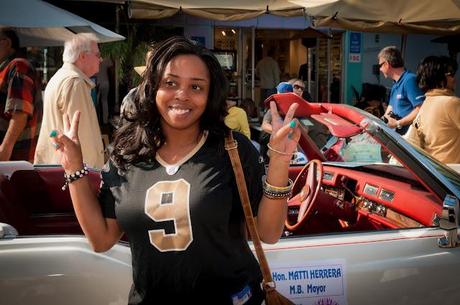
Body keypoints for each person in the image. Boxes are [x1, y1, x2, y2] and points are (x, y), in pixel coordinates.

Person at [47, 36, 300, 304]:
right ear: (153, 86)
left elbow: (269, 233)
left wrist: (281, 158)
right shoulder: (127, 155)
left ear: (210, 94)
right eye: (171, 83)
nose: (182, 95)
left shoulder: (233, 149)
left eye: (196, 87)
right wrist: (73, 167)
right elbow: (101, 239)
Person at [34, 33, 104, 169]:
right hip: (73, 174)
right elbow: (82, 138)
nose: (100, 59)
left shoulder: (60, 77)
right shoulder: (75, 83)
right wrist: (93, 175)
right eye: (97, 55)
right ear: (82, 56)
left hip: (60, 168)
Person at [405, 55, 460, 164]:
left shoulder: (427, 103)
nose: (454, 79)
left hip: (435, 170)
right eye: (451, 75)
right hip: (453, 173)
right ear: (439, 78)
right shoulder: (451, 103)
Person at [0, 27, 42, 162]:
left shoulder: (18, 66)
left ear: (6, 42)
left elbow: (20, 113)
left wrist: (4, 150)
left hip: (12, 161)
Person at [378, 46, 425, 135]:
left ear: (387, 64)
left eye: (380, 65)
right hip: (398, 135)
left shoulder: (409, 80)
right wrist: (381, 122)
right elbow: (391, 106)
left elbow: (421, 108)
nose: (380, 69)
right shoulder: (396, 83)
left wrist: (398, 123)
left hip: (409, 138)